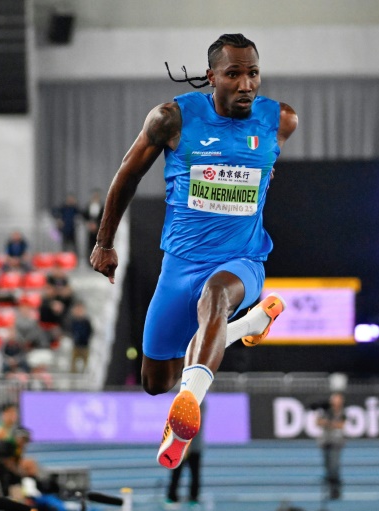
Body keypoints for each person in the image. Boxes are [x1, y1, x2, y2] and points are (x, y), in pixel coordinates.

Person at [89, 33, 297, 469]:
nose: (246, 84)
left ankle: (188, 407)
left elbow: (263, 162)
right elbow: (126, 176)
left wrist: (259, 173)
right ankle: (248, 327)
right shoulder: (172, 119)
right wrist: (104, 242)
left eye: (253, 73)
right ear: (212, 76)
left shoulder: (280, 120)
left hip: (242, 261)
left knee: (216, 297)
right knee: (154, 381)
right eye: (234, 73)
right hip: (179, 266)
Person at [166, 401, 206, 509]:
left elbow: (196, 424)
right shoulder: (182, 399)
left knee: (195, 473)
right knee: (176, 472)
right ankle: (172, 496)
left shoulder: (200, 402)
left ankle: (194, 497)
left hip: (194, 446)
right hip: (180, 445)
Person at [316, 392, 346, 500]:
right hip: (325, 441)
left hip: (336, 442)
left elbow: (341, 425)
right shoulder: (325, 411)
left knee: (334, 467)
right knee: (327, 467)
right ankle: (330, 489)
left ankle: (336, 490)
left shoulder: (342, 412)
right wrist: (330, 423)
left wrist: (328, 423)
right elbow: (318, 422)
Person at [68, 301, 92, 373]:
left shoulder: (86, 321)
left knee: (85, 365)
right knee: (73, 365)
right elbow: (69, 331)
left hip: (84, 346)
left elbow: (90, 332)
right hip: (74, 346)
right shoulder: (72, 321)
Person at [83, 189, 104, 260]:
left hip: (99, 229)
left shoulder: (102, 206)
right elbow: (85, 216)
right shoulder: (88, 205)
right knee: (90, 245)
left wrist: (97, 225)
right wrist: (89, 224)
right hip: (90, 228)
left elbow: (103, 217)